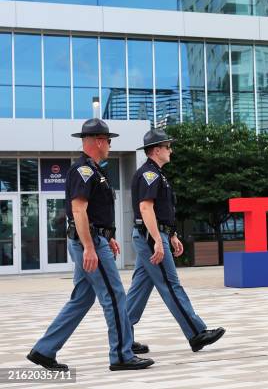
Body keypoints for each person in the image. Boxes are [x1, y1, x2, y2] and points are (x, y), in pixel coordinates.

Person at [27, 119, 154, 372]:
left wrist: (108, 236)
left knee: (81, 299)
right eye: (108, 140)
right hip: (90, 243)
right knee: (115, 295)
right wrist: (90, 246)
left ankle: (43, 350)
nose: (109, 145)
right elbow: (78, 209)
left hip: (95, 239)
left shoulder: (95, 170)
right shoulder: (83, 170)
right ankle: (121, 355)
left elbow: (95, 212)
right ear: (98, 141)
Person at [126, 129, 225, 354]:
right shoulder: (149, 174)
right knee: (171, 284)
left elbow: (161, 211)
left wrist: (171, 235)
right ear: (156, 150)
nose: (171, 150)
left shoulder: (157, 174)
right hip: (150, 236)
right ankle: (196, 333)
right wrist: (157, 240)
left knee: (139, 289)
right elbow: (145, 208)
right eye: (168, 146)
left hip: (153, 235)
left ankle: (122, 337)